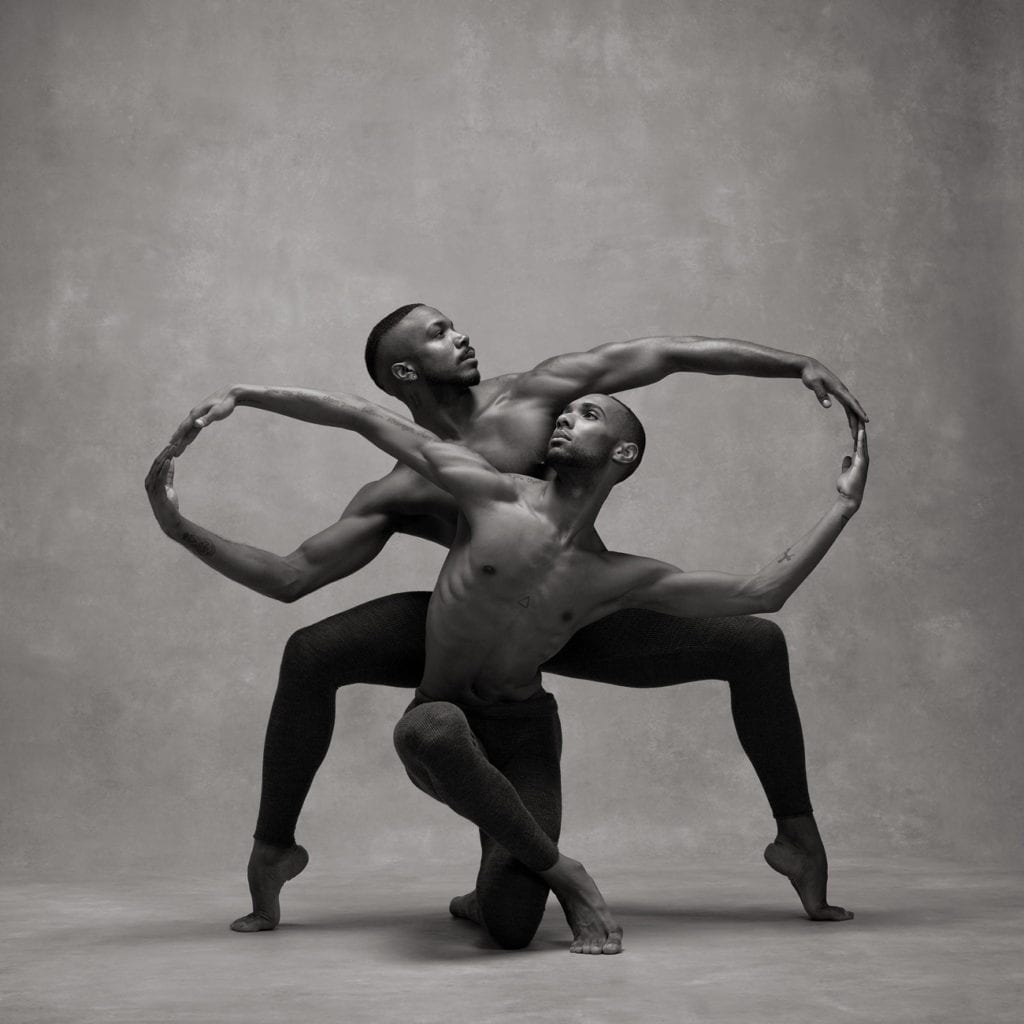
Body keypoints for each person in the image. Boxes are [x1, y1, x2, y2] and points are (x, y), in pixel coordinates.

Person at [146, 304, 869, 932]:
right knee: (313, 653)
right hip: (465, 624)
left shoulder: (536, 400)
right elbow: (293, 573)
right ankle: (275, 849)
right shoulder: (408, 485)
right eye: (439, 333)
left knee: (753, 643)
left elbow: (663, 355)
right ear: (406, 371)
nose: (461, 337)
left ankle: (796, 838)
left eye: (453, 325)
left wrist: (794, 365)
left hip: (573, 612)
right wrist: (213, 462)